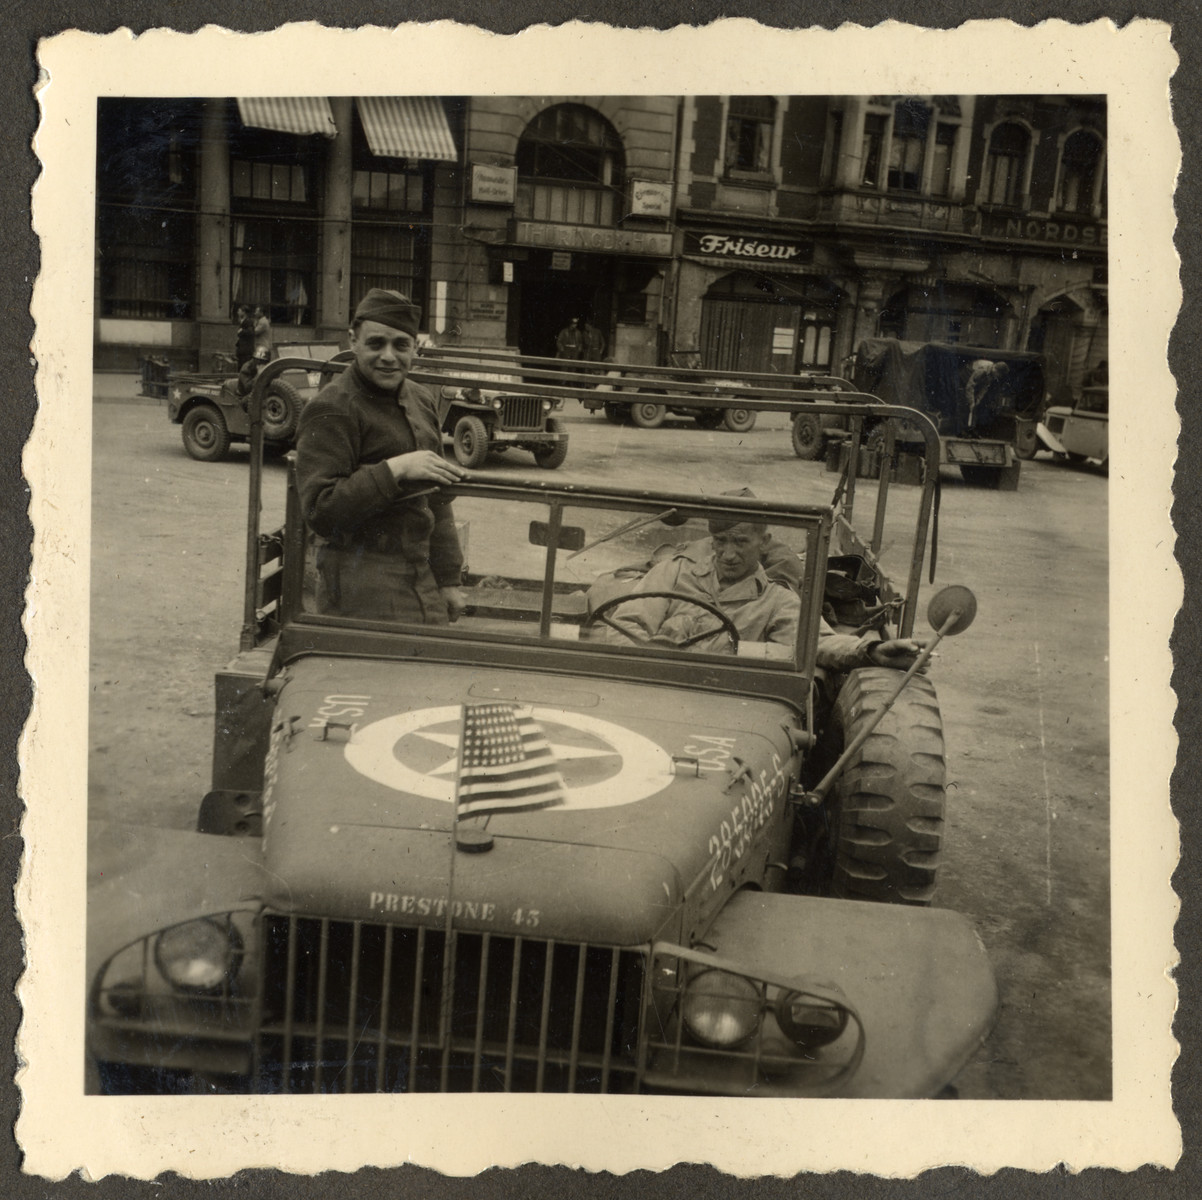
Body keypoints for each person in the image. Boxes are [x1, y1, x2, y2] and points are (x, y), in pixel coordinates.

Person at [295, 289, 468, 624]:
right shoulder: (332, 407)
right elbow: (320, 509)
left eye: (401, 345)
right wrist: (396, 468)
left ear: (415, 347)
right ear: (353, 341)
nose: (389, 356)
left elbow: (438, 500)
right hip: (358, 578)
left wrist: (449, 579)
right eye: (376, 344)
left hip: (418, 571)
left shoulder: (421, 399)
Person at [604, 506, 927, 672]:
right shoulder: (673, 573)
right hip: (652, 681)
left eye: (741, 542)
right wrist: (645, 662)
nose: (728, 554)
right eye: (721, 541)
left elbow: (816, 642)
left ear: (764, 542)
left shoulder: (776, 599)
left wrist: (869, 651)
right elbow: (627, 623)